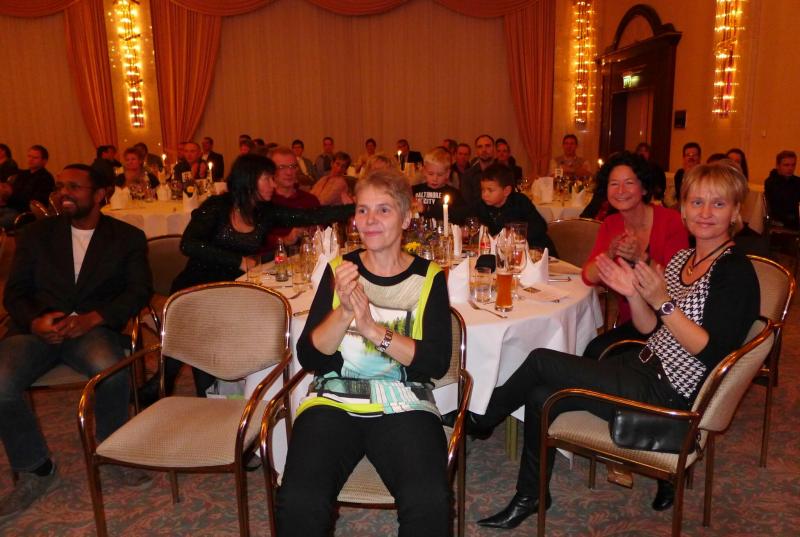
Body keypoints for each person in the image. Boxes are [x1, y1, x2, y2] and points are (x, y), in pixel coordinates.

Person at [469, 162, 759, 529]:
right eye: (697, 202)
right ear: (684, 209)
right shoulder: (683, 260)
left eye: (718, 204)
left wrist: (662, 301)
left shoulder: (733, 271)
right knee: (542, 394)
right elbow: (650, 327)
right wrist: (634, 295)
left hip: (670, 393)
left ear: (735, 212)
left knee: (542, 360)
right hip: (644, 366)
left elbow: (712, 352)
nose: (705, 213)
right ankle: (531, 495)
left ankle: (480, 419)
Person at [277, 168, 452, 537]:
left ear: (406, 218)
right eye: (362, 210)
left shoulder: (429, 277)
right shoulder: (341, 271)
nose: (370, 220)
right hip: (333, 400)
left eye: (383, 210)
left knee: (429, 502)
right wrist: (344, 312)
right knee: (299, 500)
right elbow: (311, 357)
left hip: (404, 402)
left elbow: (435, 363)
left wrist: (373, 330)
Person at [0, 164, 153, 523]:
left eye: (74, 186)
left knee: (111, 372)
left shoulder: (126, 237)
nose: (63, 193)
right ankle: (36, 467)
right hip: (37, 330)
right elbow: (15, 292)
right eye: (60, 186)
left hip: (91, 329)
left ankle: (111, 451)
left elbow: (139, 291)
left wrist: (95, 317)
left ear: (100, 194)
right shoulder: (36, 235)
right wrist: (36, 321)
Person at [142, 154, 353, 402]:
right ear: (250, 179)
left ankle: (178, 392)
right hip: (195, 287)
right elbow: (189, 244)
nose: (274, 184)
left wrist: (359, 208)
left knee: (202, 346)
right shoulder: (217, 207)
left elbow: (311, 216)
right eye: (268, 179)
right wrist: (238, 261)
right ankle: (178, 392)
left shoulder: (265, 212)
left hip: (232, 290)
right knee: (194, 346)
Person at [582, 152, 688, 359]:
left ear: (644, 188)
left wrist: (641, 257)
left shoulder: (670, 221)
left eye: (629, 183)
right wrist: (609, 253)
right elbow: (588, 276)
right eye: (614, 184)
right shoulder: (611, 224)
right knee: (593, 350)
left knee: (597, 354)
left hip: (670, 322)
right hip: (632, 321)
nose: (620, 191)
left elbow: (679, 284)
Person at [473, 163, 556, 252]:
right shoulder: (482, 205)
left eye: (490, 190)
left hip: (535, 249)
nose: (485, 194)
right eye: (483, 190)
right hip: (503, 253)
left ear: (506, 191)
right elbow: (467, 218)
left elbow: (540, 226)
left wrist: (515, 234)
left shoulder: (520, 202)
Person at [263, 146, 320, 251]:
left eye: (292, 166)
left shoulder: (310, 200)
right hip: (273, 259)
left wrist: (315, 233)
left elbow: (324, 234)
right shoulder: (264, 202)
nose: (289, 172)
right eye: (282, 167)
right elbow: (257, 241)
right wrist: (286, 240)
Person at [0, 145, 55, 229]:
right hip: (10, 208)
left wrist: (10, 194)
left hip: (25, 213)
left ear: (44, 161)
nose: (30, 160)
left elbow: (35, 203)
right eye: (29, 156)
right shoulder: (23, 174)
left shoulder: (46, 178)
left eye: (35, 158)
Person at [412, 148, 465, 223]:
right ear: (424, 171)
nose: (435, 179)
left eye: (440, 175)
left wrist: (427, 208)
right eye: (430, 174)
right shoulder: (414, 190)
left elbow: (460, 216)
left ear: (447, 174)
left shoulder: (454, 194)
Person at [764, 150, 799, 228]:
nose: (790, 168)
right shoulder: (771, 182)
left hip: (794, 218)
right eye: (786, 165)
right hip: (781, 220)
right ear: (778, 166)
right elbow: (780, 206)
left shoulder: (797, 181)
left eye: (793, 165)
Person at [461, 134, 497, 210]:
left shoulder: (504, 172)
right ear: (476, 151)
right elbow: (467, 203)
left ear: (494, 149)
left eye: (487, 146)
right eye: (480, 147)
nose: (484, 150)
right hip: (476, 214)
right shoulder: (468, 175)